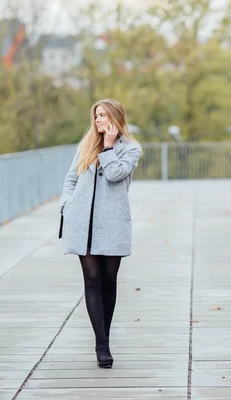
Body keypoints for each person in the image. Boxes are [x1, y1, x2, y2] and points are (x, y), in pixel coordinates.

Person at [59, 99, 142, 368]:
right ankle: (101, 344)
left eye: (103, 115)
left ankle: (105, 333)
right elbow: (71, 177)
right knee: (92, 280)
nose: (97, 120)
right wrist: (67, 204)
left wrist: (108, 147)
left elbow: (115, 174)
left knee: (109, 280)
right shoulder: (85, 145)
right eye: (96, 115)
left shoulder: (131, 149)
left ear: (115, 118)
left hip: (113, 224)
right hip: (82, 223)